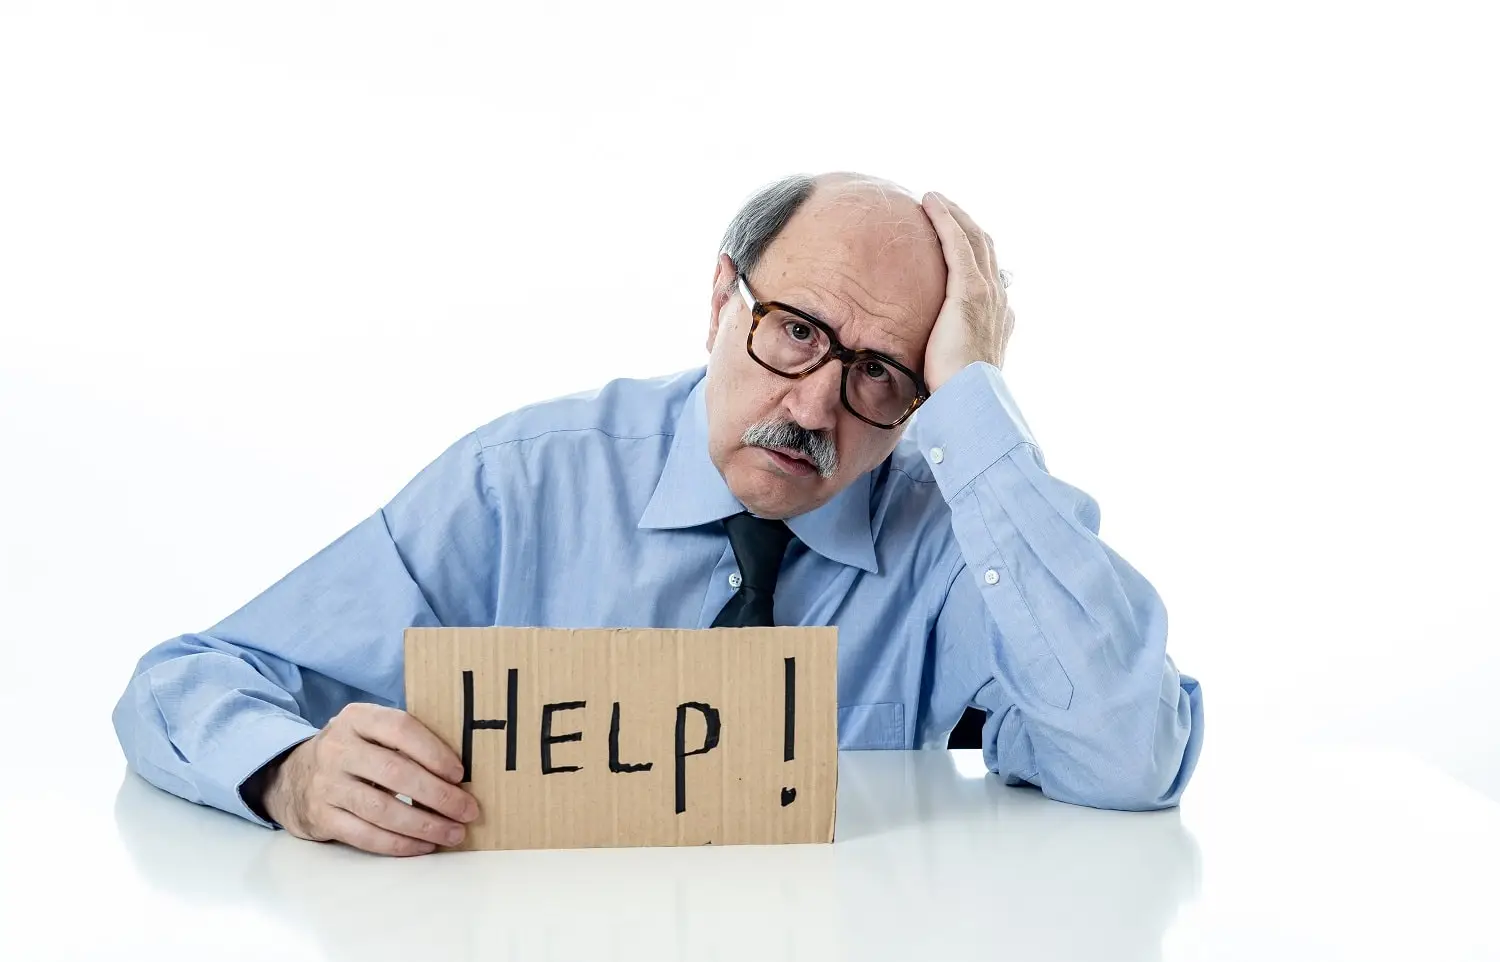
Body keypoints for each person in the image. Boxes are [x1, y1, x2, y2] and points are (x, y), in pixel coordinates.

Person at [113, 173, 1203, 857]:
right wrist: (289, 772)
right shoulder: (525, 485)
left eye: (883, 374)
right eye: (794, 330)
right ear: (723, 299)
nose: (818, 403)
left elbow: (1128, 753)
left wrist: (974, 408)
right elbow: (188, 677)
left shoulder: (952, 533)